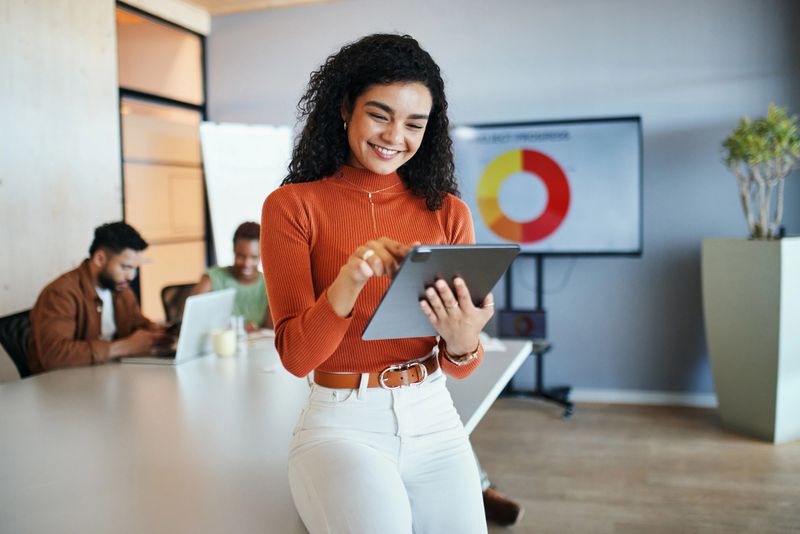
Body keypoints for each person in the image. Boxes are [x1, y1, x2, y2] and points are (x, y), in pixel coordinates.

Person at [262, 34, 495, 533]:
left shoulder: (449, 213)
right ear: (345, 107)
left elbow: (462, 367)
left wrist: (464, 339)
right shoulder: (292, 206)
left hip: (435, 416)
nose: (395, 136)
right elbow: (298, 358)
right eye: (380, 114)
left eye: (414, 123)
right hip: (341, 426)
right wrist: (351, 278)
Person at [28, 222, 172, 374]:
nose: (131, 276)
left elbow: (137, 325)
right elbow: (54, 355)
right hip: (61, 383)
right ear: (99, 259)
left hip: (106, 374)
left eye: (135, 268)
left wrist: (161, 332)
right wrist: (124, 347)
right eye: (125, 267)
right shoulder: (60, 293)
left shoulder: (121, 289)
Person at [190, 221, 272, 331]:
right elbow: (191, 317)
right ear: (234, 250)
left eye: (254, 257)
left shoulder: (269, 286)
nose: (246, 263)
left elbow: (270, 331)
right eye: (241, 256)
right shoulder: (213, 278)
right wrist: (237, 328)